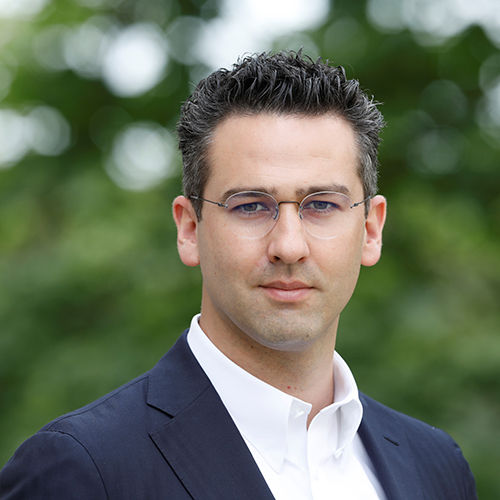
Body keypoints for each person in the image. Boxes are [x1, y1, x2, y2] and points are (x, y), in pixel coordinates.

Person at [0, 51, 476, 500]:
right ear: (189, 229)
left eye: (322, 205)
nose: (288, 246)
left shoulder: (435, 466)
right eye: (250, 205)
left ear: (370, 230)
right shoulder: (82, 469)